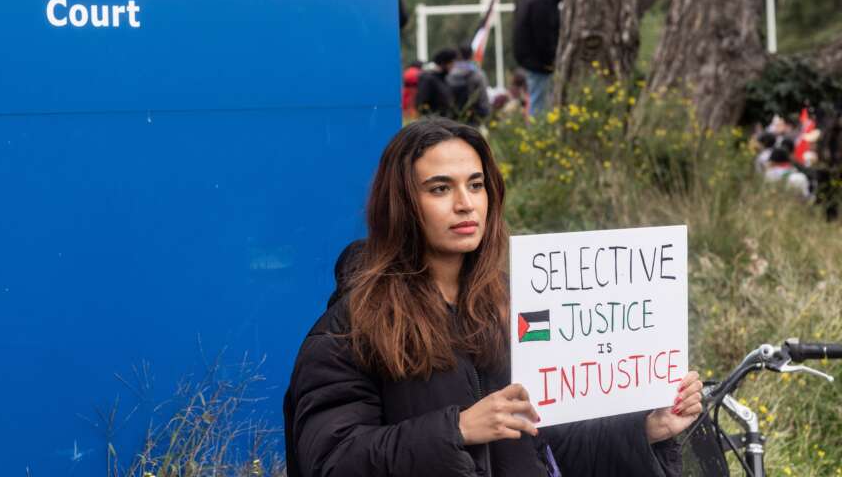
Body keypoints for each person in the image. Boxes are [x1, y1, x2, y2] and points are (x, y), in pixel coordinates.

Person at [284, 119, 701, 476]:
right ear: (403, 205)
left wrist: (645, 431)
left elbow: (551, 447)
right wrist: (457, 430)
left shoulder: (517, 308)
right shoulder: (351, 330)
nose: (466, 204)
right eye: (440, 189)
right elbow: (330, 459)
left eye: (476, 185)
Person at [513, 0, 565, 118]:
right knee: (539, 103)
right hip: (540, 62)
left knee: (537, 99)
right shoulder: (543, 0)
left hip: (529, 59)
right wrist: (551, 60)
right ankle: (538, 138)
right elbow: (544, 34)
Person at [448, 45, 492, 123]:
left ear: (459, 55)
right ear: (472, 55)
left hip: (455, 115)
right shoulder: (478, 73)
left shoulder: (450, 73)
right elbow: (483, 95)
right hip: (476, 115)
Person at [416, 49, 459, 118]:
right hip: (433, 124)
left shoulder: (444, 79)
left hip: (444, 122)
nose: (453, 66)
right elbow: (422, 104)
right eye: (451, 63)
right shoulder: (428, 79)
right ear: (443, 63)